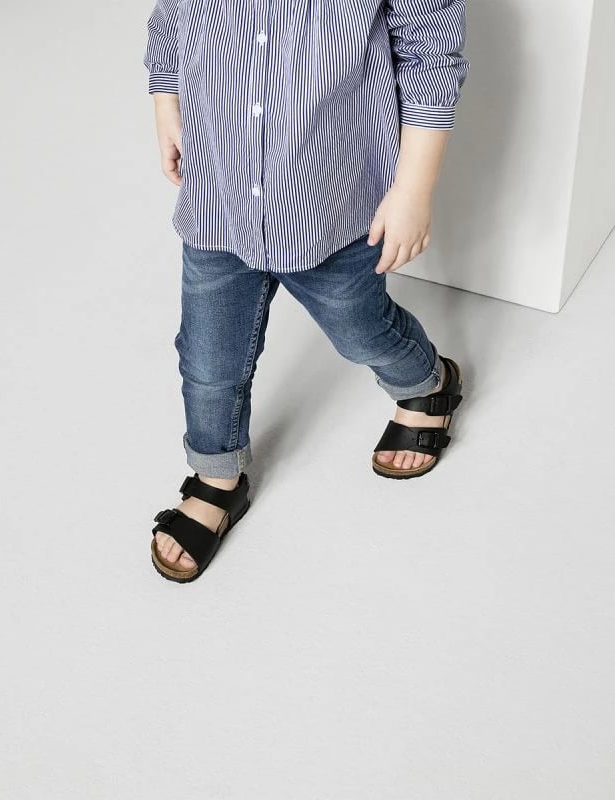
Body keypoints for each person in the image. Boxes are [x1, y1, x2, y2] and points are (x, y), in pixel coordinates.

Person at [143, 0, 470, 583]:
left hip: (332, 205)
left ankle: (427, 381)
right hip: (220, 196)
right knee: (208, 359)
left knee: (359, 326)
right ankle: (216, 474)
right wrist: (167, 102)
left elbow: (430, 51)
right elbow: (174, 12)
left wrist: (414, 189)